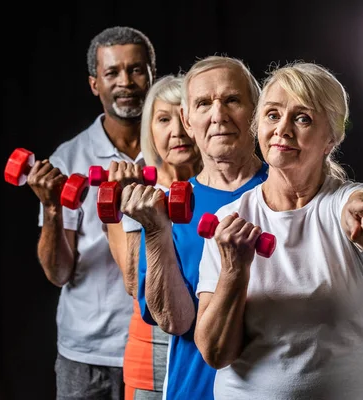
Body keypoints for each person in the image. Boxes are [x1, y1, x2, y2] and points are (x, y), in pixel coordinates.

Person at [194, 62, 363, 399]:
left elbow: (362, 206)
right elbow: (215, 353)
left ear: (332, 137)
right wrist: (234, 269)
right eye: (272, 115)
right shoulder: (231, 219)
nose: (282, 130)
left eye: (303, 119)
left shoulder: (342, 202)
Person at [117, 55, 267, 400]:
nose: (218, 116)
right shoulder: (164, 209)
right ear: (188, 119)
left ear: (255, 110)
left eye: (232, 100)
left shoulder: (289, 192)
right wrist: (156, 234)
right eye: (203, 104)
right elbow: (174, 322)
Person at [27, 26, 156, 399]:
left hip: (159, 342)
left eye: (136, 70)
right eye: (112, 72)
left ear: (151, 75)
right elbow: (58, 272)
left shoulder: (175, 151)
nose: (126, 82)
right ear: (94, 84)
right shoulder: (70, 159)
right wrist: (52, 206)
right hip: (88, 352)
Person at [104, 74, 202, 399]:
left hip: (216, 350)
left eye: (185, 116)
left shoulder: (227, 186)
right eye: (163, 119)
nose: (177, 131)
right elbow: (134, 284)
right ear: (150, 130)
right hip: (152, 355)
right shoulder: (125, 189)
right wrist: (136, 212)